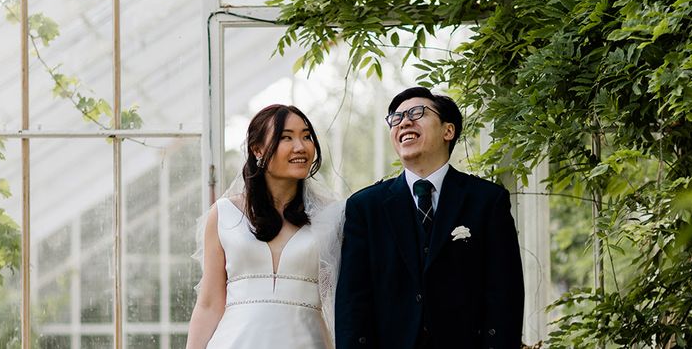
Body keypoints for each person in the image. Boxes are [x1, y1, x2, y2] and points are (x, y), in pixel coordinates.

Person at [335, 86, 524, 349]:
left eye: (417, 112)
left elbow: (505, 295)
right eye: (396, 118)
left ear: (448, 130)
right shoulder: (365, 208)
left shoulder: (487, 201)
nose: (405, 122)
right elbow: (352, 303)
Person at [186, 104, 342, 349]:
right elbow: (208, 304)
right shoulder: (224, 214)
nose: (301, 147)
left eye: (307, 136)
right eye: (286, 137)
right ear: (257, 149)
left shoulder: (333, 216)